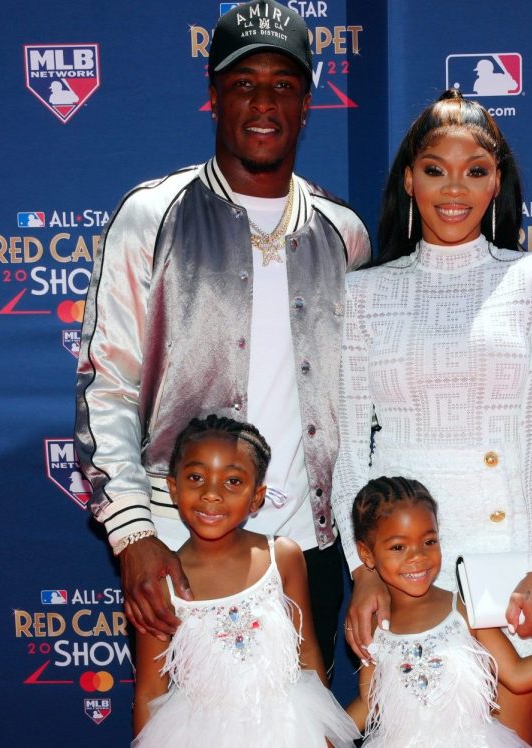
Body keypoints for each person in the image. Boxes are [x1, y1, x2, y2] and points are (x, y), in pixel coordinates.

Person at [75, 0, 370, 676]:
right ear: (214, 96)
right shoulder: (151, 215)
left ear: (307, 104)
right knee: (186, 720)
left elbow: (363, 408)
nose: (263, 103)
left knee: (304, 719)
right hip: (178, 544)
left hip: (308, 548)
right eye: (244, 83)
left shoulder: (344, 234)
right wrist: (134, 532)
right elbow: (107, 384)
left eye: (283, 85)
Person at [331, 88, 532, 743]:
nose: (454, 188)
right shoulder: (362, 293)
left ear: (497, 181)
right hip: (403, 564)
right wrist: (363, 571)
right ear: (409, 179)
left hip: (505, 559)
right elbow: (350, 447)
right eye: (435, 169)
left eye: (475, 170)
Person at [133, 415, 359, 747]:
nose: (212, 494)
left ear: (257, 497)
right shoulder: (161, 582)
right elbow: (150, 689)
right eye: (196, 477)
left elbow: (308, 653)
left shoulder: (283, 557)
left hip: (287, 731)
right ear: (173, 488)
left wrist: (322, 734)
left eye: (233, 481)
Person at [345, 476, 532, 748]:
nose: (417, 556)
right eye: (398, 547)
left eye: (429, 541)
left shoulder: (463, 609)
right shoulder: (372, 628)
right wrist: (328, 737)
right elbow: (369, 703)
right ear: (366, 554)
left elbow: (518, 675)